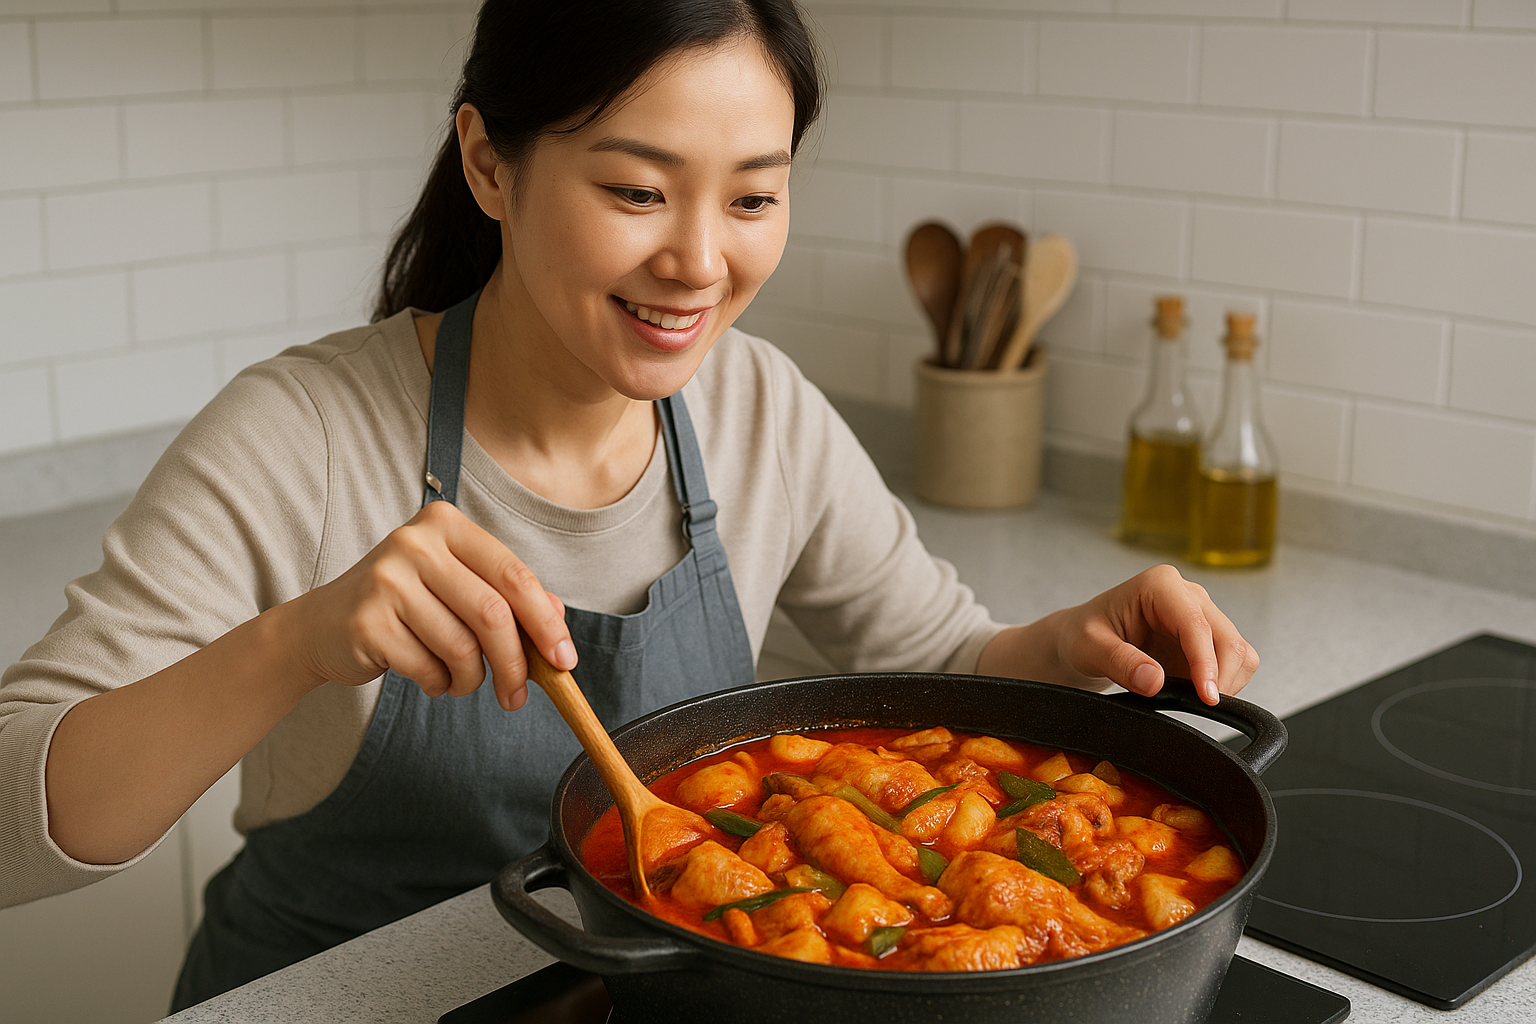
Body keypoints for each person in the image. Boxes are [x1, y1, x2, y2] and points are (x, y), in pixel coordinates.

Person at [0, 0, 1259, 1009]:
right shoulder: (302, 432)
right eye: (638, 190)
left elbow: (935, 668)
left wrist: (1083, 646)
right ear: (489, 162)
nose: (701, 262)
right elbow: (14, 819)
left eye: (753, 196)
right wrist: (296, 641)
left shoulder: (759, 407)